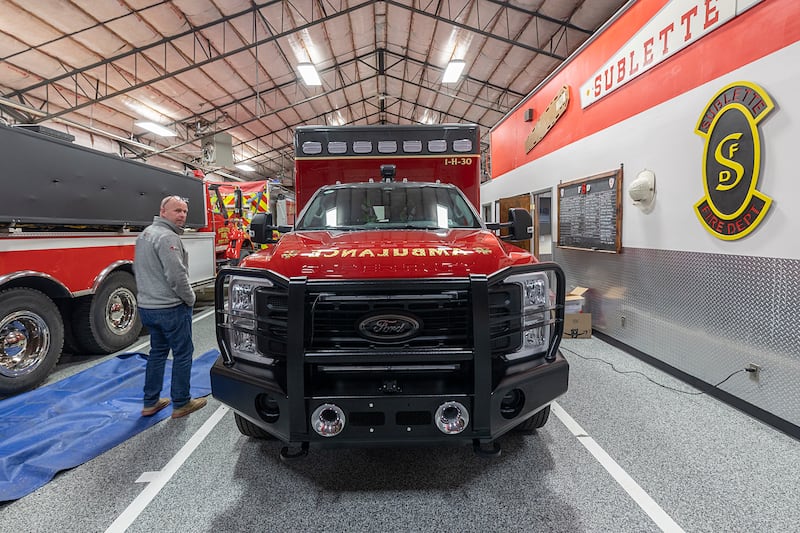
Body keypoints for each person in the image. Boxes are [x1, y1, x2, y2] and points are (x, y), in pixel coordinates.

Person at [134, 195, 207, 419]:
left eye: (184, 211)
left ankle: (150, 402)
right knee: (183, 353)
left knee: (157, 352)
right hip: (170, 308)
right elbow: (176, 276)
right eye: (177, 211)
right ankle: (182, 403)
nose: (182, 215)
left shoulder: (145, 234)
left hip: (148, 307)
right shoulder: (167, 238)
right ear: (163, 211)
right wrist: (191, 298)